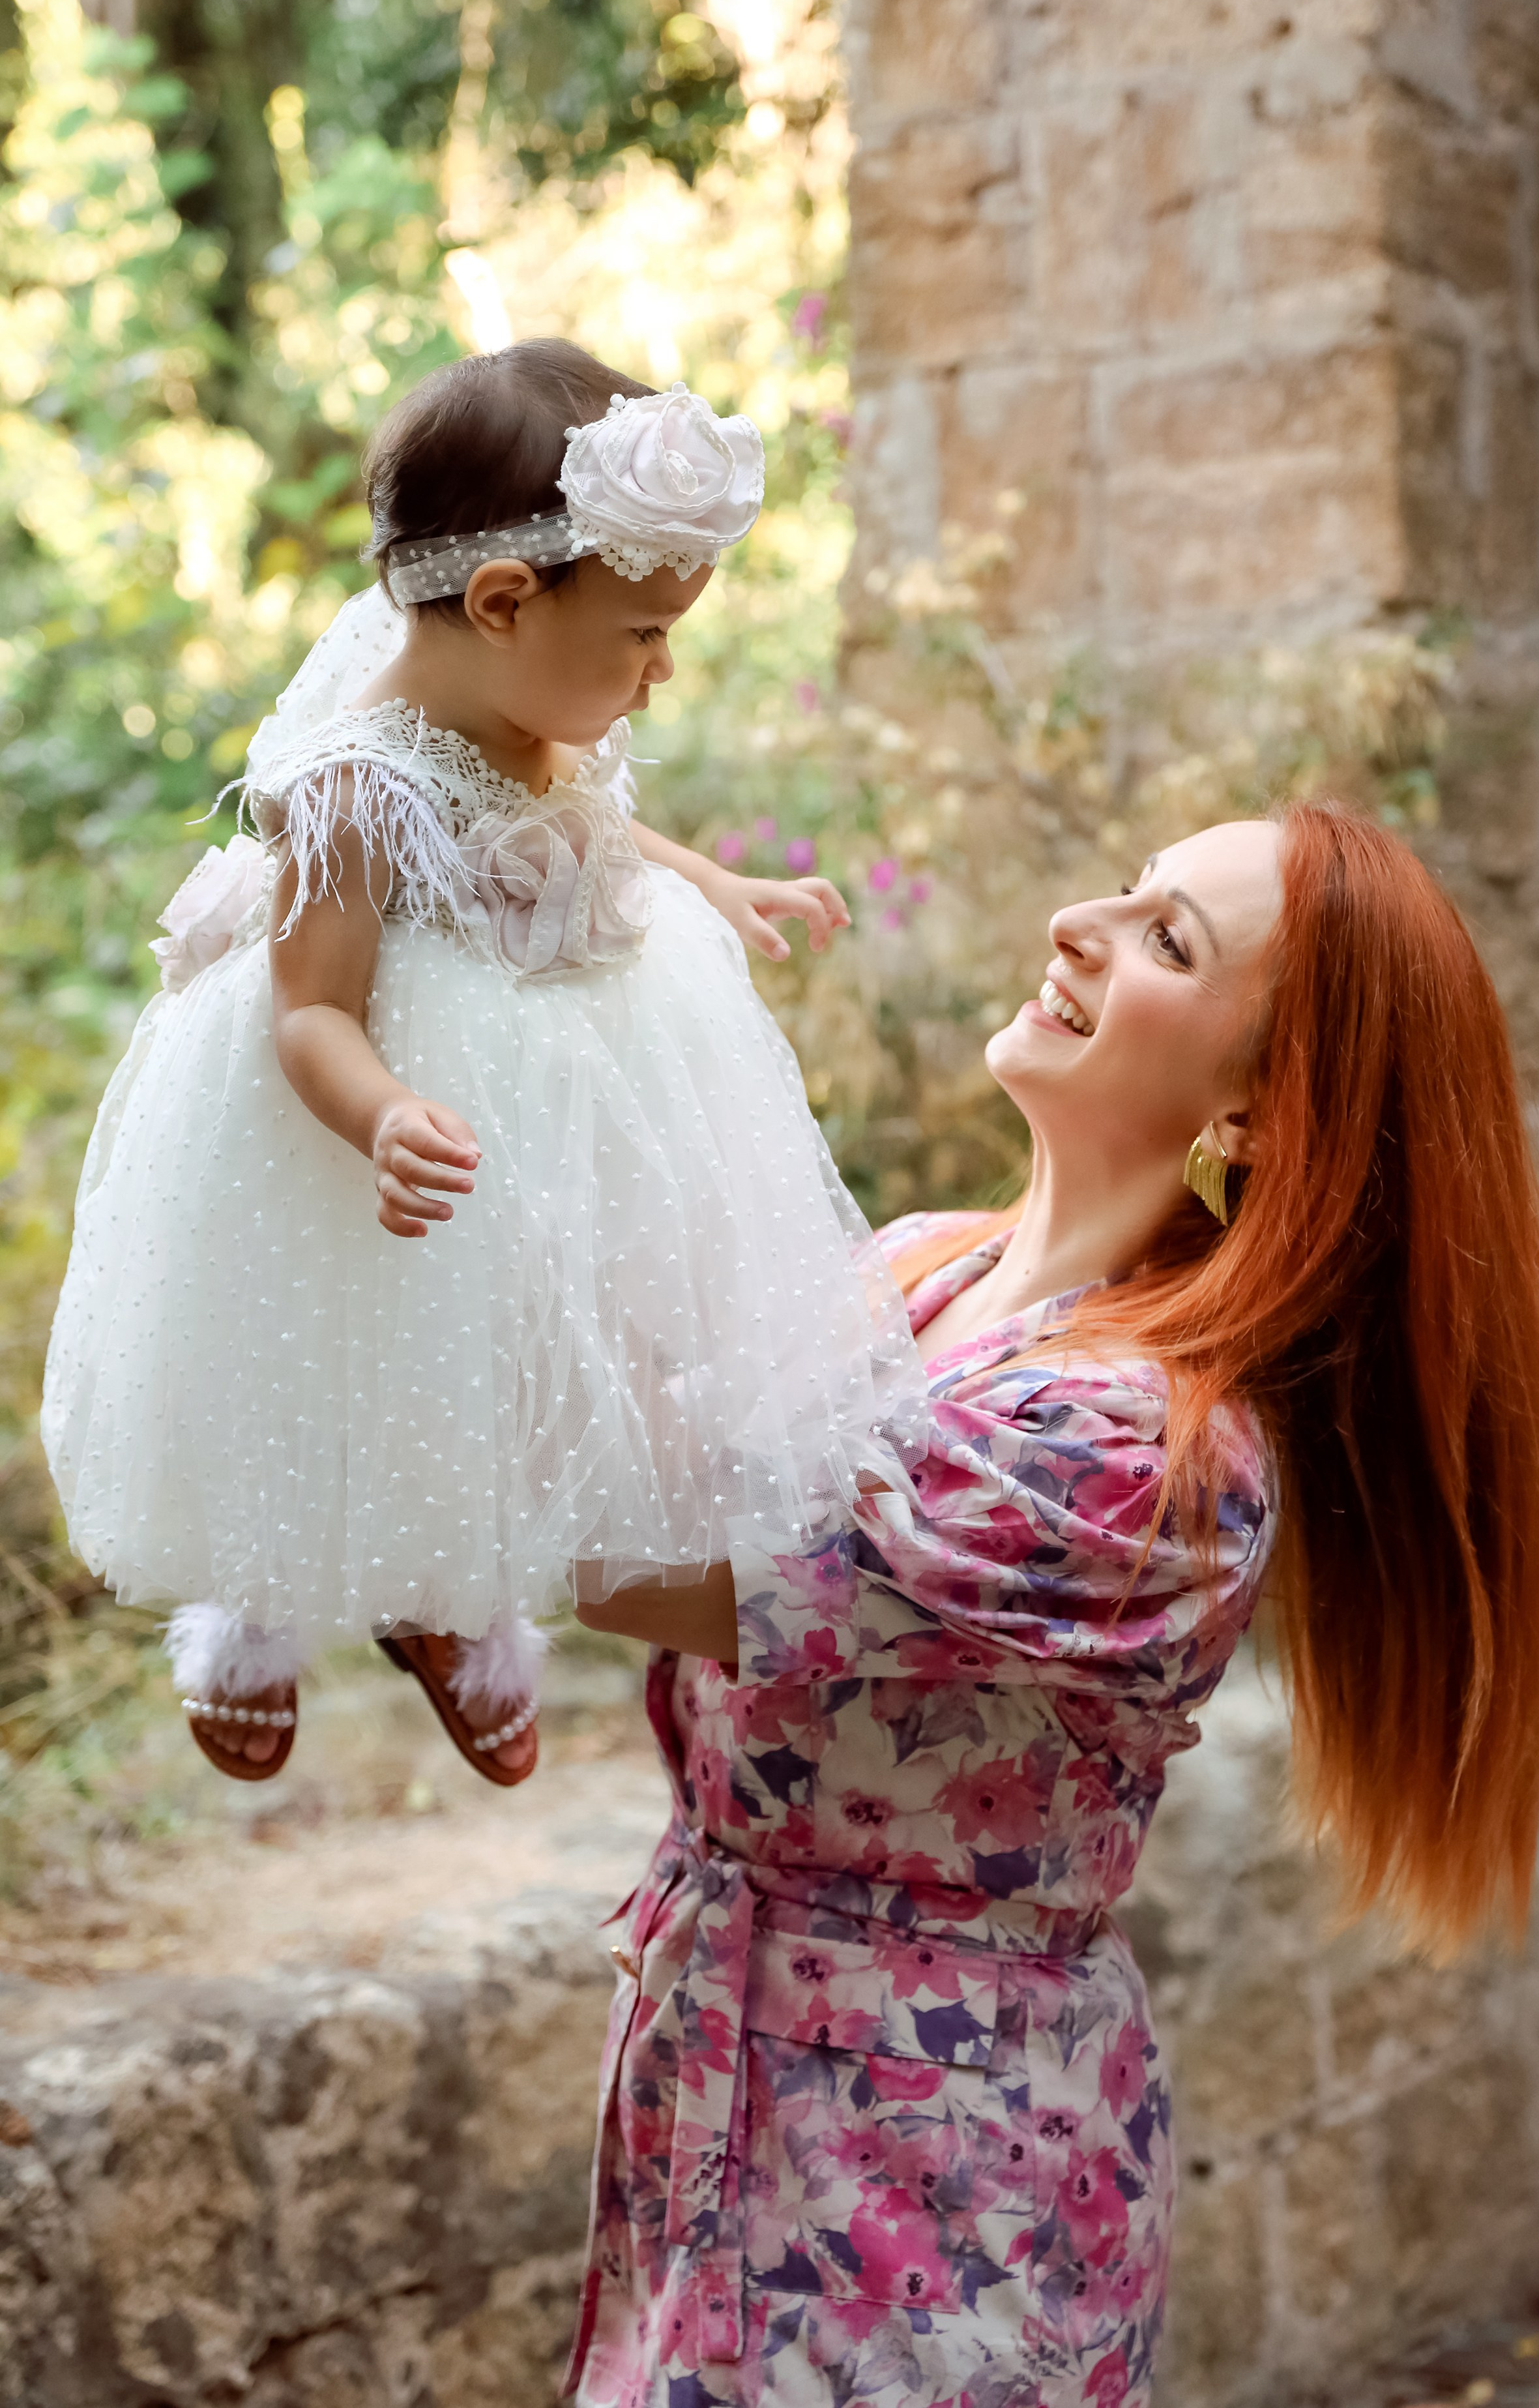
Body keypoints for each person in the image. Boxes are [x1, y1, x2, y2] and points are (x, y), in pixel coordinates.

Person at [566, 804, 1539, 2407]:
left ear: (1259, 1111)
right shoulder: (913, 1269)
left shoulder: (1146, 1452)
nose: (1077, 925)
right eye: (1124, 889)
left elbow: (639, 1561)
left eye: (1166, 938)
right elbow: (624, 1474)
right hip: (712, 2087)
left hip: (923, 2182)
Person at [40, 341, 917, 1787]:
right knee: (323, 1358)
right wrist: (382, 1114)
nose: (663, 669)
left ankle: (456, 1601)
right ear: (504, 602)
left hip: (552, 1090)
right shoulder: (353, 785)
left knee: (529, 1351)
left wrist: (716, 883)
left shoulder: (532, 701)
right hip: (376, 1119)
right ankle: (257, 1608)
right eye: (643, 635)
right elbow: (311, 1012)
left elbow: (588, 817)